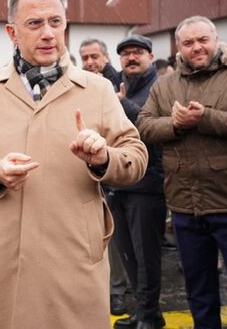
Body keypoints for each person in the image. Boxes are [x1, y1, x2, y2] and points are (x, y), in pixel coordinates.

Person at [0, 0, 148, 328]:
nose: (48, 33)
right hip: (2, 246)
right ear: (12, 32)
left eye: (56, 22)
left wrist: (103, 158)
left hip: (72, 249)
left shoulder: (96, 89)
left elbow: (136, 157)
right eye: (35, 23)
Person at [137, 15, 227, 329]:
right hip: (185, 206)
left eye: (203, 40)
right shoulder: (165, 85)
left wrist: (205, 118)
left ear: (216, 41)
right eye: (189, 42)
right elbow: (144, 126)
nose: (197, 47)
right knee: (199, 293)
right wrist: (175, 124)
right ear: (179, 47)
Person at [107, 36, 167, 329]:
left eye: (138, 53)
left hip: (147, 185)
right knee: (128, 254)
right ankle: (146, 313)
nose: (131, 58)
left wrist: (123, 104)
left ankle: (148, 316)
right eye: (126, 54)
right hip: (119, 184)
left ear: (151, 56)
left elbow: (150, 126)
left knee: (146, 258)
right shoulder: (120, 84)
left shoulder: (159, 88)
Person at [81, 37, 129, 315]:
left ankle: (117, 292)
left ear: (106, 57)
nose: (90, 62)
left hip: (116, 174)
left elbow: (134, 134)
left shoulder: (117, 84)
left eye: (94, 57)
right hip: (87, 176)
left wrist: (120, 104)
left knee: (116, 242)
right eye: (85, 57)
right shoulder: (75, 84)